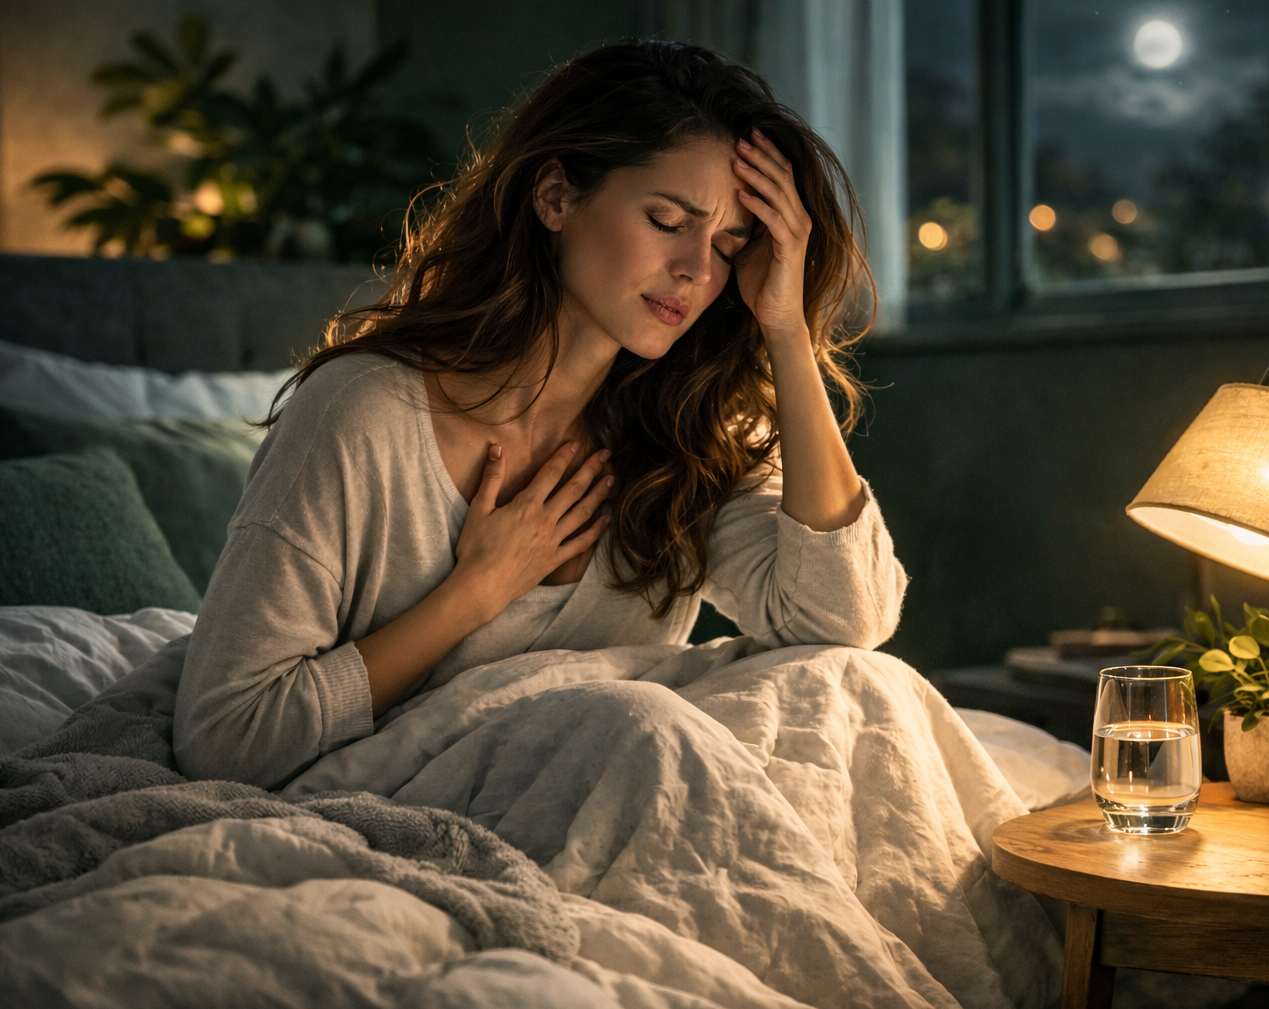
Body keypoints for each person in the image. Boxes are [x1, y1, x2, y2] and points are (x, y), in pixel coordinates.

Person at [171, 39, 906, 790]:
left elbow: (846, 620)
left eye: (728, 245)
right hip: (403, 806)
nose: (696, 270)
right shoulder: (362, 415)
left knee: (865, 693)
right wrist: (476, 594)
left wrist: (785, 329)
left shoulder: (687, 435)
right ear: (556, 197)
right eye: (666, 220)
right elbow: (227, 741)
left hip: (604, 806)